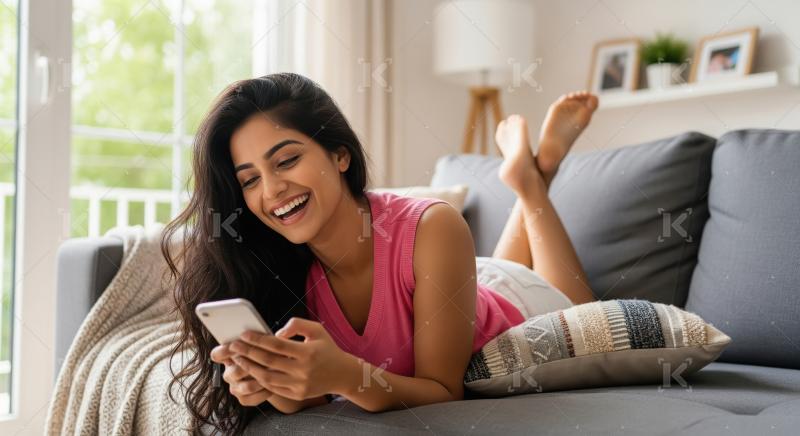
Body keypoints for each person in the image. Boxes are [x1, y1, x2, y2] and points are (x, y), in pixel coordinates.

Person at [161, 73, 598, 435]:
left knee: (582, 307)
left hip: (515, 304)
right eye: (250, 180)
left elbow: (445, 393)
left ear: (340, 155)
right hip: (461, 282)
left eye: (287, 160)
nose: (272, 190)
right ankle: (528, 176)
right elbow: (313, 398)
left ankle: (531, 181)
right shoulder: (278, 266)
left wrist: (345, 376)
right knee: (492, 270)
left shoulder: (435, 226)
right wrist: (272, 382)